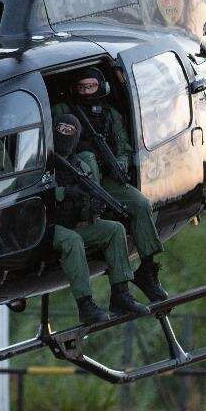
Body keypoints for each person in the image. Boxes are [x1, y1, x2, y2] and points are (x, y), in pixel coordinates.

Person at [56, 67, 169, 303]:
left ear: (102, 87)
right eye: (82, 88)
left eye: (91, 87)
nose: (86, 92)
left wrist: (118, 165)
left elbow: (125, 148)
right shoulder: (65, 111)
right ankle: (119, 287)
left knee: (140, 204)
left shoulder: (110, 115)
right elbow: (56, 146)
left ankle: (147, 269)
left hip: (107, 180)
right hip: (78, 180)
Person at [49, 114, 148, 326]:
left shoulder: (81, 168)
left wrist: (92, 209)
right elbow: (31, 196)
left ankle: (121, 294)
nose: (64, 135)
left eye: (70, 132)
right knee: (72, 240)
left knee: (114, 229)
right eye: (61, 130)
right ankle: (85, 306)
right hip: (44, 227)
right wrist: (64, 192)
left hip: (71, 224)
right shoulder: (41, 162)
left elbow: (84, 212)